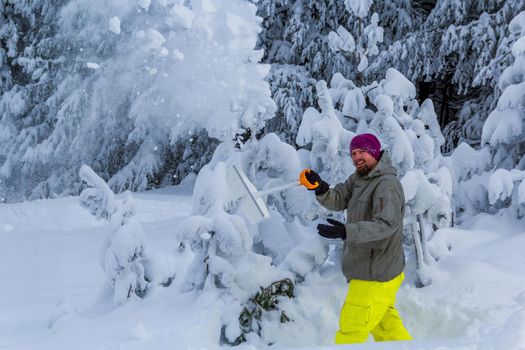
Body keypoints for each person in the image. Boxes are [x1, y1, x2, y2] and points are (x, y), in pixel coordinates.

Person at [299, 133, 412, 344]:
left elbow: (386, 225)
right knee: (387, 329)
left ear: (375, 153)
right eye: (353, 153)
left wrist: (347, 231)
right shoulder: (360, 178)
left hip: (375, 272)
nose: (357, 157)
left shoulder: (386, 185)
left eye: (362, 152)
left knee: (350, 331)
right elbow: (340, 198)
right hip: (373, 270)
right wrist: (320, 188)